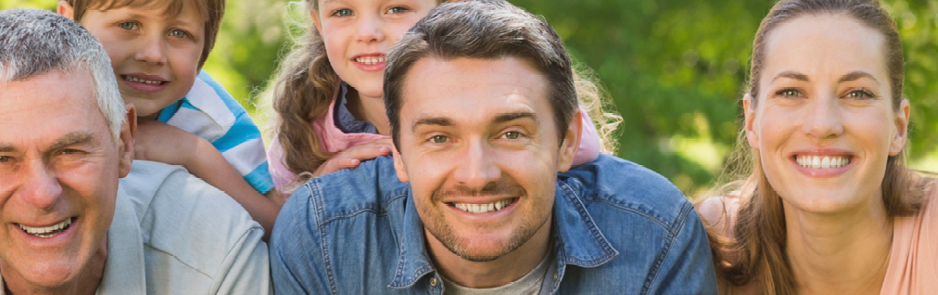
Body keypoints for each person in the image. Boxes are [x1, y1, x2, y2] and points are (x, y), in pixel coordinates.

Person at [270, 1, 717, 293]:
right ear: (396, 153)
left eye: (511, 134)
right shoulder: (323, 237)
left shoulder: (655, 233)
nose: (477, 174)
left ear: (569, 142)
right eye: (439, 138)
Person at [0, 9, 267, 294]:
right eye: (2, 157)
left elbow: (283, 224)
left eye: (70, 151)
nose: (152, 54)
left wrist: (192, 152)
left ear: (124, 142)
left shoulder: (217, 248)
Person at [694, 0, 938, 293]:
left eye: (857, 93)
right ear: (752, 121)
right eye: (790, 92)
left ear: (898, 126)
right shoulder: (704, 244)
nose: (823, 125)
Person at [0, 0, 284, 229]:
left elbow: (276, 229)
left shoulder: (211, 122)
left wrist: (193, 154)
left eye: (179, 34)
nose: (152, 53)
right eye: (129, 24)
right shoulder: (31, 88)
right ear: (69, 19)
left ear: (205, 49)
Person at [260, 0, 613, 193]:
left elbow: (581, 148)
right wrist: (319, 187)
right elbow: (281, 217)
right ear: (319, 24)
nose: (367, 32)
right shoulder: (306, 122)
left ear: (448, 11)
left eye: (396, 9)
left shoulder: (495, 87)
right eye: (343, 12)